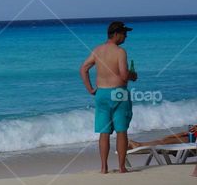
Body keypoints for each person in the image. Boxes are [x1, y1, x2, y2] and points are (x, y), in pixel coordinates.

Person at [79, 21, 138, 173]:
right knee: (121, 131)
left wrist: (90, 89)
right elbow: (124, 75)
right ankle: (122, 167)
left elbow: (83, 68)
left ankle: (104, 167)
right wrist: (133, 75)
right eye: (124, 33)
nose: (126, 36)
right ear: (116, 34)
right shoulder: (120, 52)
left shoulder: (97, 50)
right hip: (118, 93)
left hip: (101, 93)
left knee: (104, 132)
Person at [130, 125, 196, 148]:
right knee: (166, 138)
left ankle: (139, 144)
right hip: (192, 134)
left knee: (164, 141)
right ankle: (136, 145)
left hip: (193, 139)